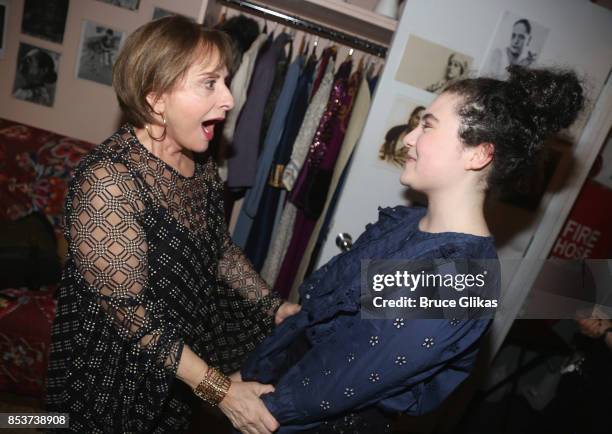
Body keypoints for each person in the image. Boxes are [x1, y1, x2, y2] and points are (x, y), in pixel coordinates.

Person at [239, 65, 585, 433]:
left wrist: (246, 399)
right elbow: (341, 322)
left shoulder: (458, 279)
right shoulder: (407, 224)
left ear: (478, 155)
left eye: (428, 125)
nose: (408, 138)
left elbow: (333, 382)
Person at [46, 16, 299, 434]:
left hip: (176, 368)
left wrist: (274, 307)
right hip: (109, 377)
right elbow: (131, 316)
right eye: (209, 83)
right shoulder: (109, 182)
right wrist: (222, 391)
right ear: (156, 98)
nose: (229, 99)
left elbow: (218, 249)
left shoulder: (197, 163)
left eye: (226, 81)